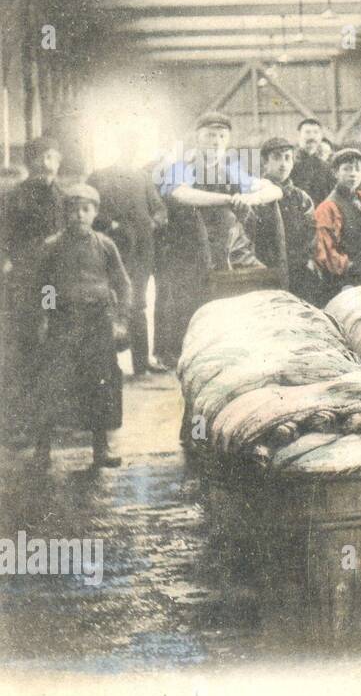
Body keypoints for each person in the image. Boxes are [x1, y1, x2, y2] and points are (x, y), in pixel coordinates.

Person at [153, 111, 283, 368]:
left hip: (220, 247)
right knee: (185, 303)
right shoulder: (181, 165)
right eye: (210, 135)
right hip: (183, 247)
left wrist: (248, 198)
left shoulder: (230, 168)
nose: (216, 141)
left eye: (222, 136)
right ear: (197, 137)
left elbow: (273, 189)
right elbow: (182, 194)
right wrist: (227, 200)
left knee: (230, 296)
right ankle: (179, 357)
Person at [30, 183, 132, 471]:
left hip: (98, 323)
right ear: (64, 213)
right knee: (52, 384)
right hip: (63, 323)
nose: (78, 215)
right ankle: (42, 449)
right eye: (72, 210)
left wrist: (121, 320)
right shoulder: (52, 246)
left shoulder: (105, 245)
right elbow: (44, 286)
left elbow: (122, 284)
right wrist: (46, 317)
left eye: (85, 209)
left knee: (101, 384)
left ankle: (101, 449)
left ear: (95, 212)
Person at [1, 137, 68, 444]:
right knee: (28, 342)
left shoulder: (58, 193)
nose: (49, 163)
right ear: (36, 161)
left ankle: (48, 416)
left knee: (52, 336)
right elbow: (7, 235)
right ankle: (23, 420)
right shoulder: (19, 195)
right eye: (44, 157)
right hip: (29, 278)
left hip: (52, 280)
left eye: (53, 157)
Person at [87, 131, 169, 376]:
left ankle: (141, 365)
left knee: (139, 302)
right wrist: (110, 225)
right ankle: (108, 364)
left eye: (133, 145)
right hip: (110, 248)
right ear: (118, 146)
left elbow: (160, 209)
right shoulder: (99, 176)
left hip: (141, 249)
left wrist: (153, 223)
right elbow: (88, 208)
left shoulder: (143, 177)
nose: (129, 149)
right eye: (126, 144)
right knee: (109, 301)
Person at [314, 148, 361, 300]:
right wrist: (350, 266)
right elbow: (327, 252)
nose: (353, 174)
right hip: (345, 279)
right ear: (335, 173)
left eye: (357, 169)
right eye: (347, 169)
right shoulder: (327, 207)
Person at [253, 137, 320, 304]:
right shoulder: (255, 195)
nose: (283, 164)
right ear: (265, 163)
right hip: (265, 274)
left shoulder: (301, 198)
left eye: (287, 158)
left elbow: (313, 233)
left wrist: (305, 261)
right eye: (276, 158)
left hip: (299, 274)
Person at [290, 117, 334, 204]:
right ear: (299, 136)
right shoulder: (289, 162)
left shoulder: (326, 167)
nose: (312, 136)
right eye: (307, 132)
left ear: (321, 137)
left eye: (316, 132)